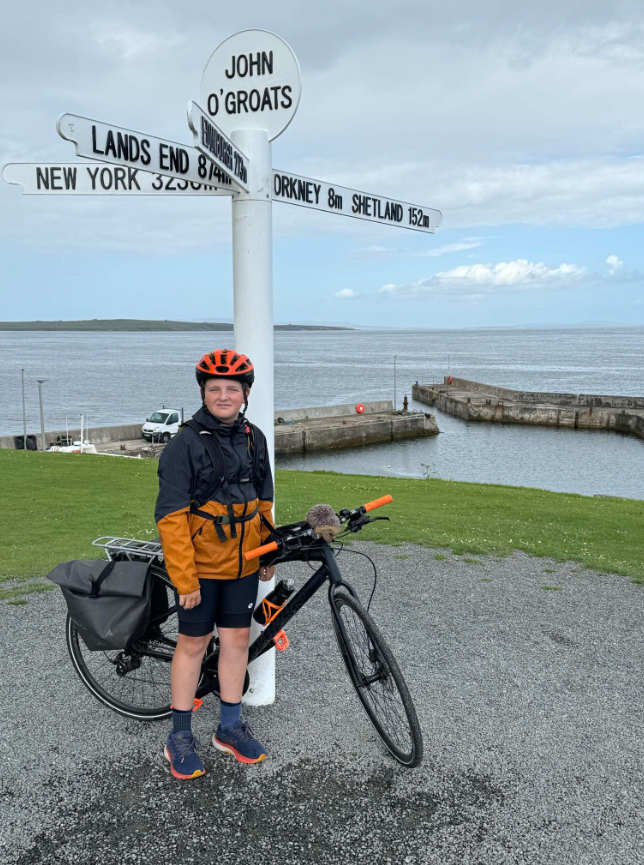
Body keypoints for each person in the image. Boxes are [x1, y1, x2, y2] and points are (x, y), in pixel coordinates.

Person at [155, 349, 276, 779]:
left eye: (232, 388)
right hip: (201, 568)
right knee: (193, 644)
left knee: (237, 642)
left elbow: (263, 502)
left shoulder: (253, 438)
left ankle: (229, 727)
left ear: (245, 393)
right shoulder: (184, 444)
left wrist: (267, 552)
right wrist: (184, 579)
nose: (223, 395)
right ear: (203, 393)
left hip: (243, 563)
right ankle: (180, 736)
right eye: (214, 389)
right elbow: (171, 519)